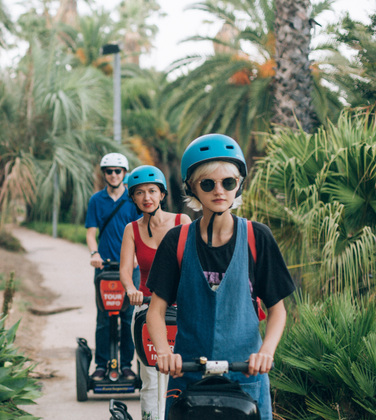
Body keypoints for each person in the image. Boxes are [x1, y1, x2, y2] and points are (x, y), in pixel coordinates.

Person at [145, 134, 295, 420]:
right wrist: (165, 352)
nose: (219, 191)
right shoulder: (176, 241)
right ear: (192, 187)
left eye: (228, 182)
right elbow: (156, 311)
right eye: (207, 183)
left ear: (238, 185)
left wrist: (266, 352)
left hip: (246, 377)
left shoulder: (257, 237)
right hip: (188, 376)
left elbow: (277, 310)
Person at [119, 165, 191, 420]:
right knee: (150, 377)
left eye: (151, 191)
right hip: (146, 309)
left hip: (182, 310)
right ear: (133, 198)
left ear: (162, 194)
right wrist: (131, 290)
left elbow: (193, 265)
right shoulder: (131, 229)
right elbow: (126, 271)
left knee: (183, 372)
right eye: (139, 192)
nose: (146, 197)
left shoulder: (182, 222)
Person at [85, 152, 140, 381]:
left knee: (127, 318)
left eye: (118, 171)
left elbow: (141, 230)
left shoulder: (133, 199)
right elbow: (90, 233)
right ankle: (101, 365)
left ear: (124, 173)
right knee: (103, 318)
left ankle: (126, 365)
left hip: (130, 268)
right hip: (105, 268)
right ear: (104, 174)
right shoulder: (96, 200)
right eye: (109, 171)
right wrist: (94, 253)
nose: (114, 175)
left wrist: (137, 257)